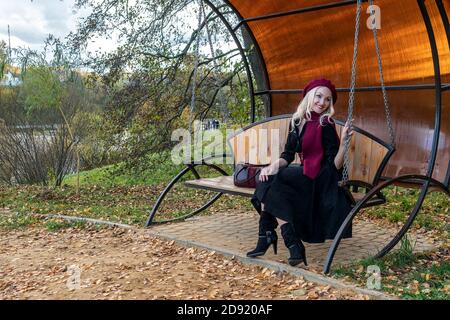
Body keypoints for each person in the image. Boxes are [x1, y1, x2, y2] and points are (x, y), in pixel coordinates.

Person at [247, 78, 354, 267]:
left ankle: (270, 237)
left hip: (322, 178)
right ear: (309, 96)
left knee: (273, 182)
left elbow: (335, 166)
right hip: (305, 173)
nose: (322, 103)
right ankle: (291, 244)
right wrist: (272, 165)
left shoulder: (325, 123)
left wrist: (344, 142)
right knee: (269, 177)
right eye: (319, 96)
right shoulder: (297, 121)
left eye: (328, 99)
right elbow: (287, 155)